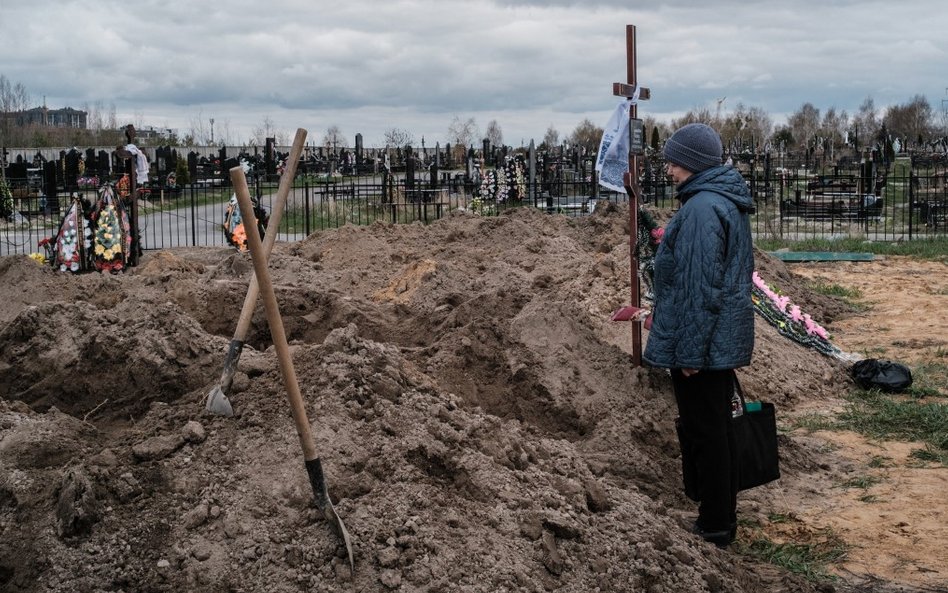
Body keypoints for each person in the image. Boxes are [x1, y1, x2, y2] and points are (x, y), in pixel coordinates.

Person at [642, 123, 756, 547]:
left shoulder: (702, 209)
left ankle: (714, 525)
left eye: (672, 160)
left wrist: (688, 353)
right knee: (719, 427)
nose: (668, 168)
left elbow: (698, 288)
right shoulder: (721, 201)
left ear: (690, 162)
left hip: (702, 344)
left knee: (706, 431)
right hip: (719, 337)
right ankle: (721, 516)